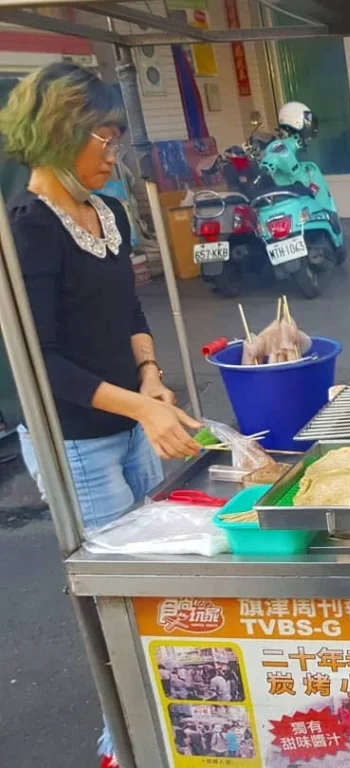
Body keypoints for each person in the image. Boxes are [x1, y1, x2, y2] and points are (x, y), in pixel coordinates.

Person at [0, 62, 201, 536]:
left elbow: (127, 308)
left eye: (117, 140)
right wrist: (140, 407)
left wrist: (149, 378)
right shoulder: (27, 229)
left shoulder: (108, 211)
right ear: (60, 132)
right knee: (120, 572)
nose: (114, 155)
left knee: (154, 548)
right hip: (77, 443)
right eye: (104, 139)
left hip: (133, 425)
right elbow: (38, 361)